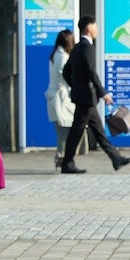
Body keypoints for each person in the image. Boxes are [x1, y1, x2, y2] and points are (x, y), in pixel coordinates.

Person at [60, 15, 130, 174]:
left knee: (97, 131)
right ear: (88, 28)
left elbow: (66, 72)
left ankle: (116, 158)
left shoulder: (78, 47)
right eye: (95, 26)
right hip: (87, 98)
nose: (97, 29)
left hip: (84, 97)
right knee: (77, 130)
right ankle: (67, 163)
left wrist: (76, 86)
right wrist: (104, 93)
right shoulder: (88, 48)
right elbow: (92, 72)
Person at [44, 28, 77, 170]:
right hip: (60, 98)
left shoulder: (55, 55)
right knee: (64, 131)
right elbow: (65, 76)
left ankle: (63, 159)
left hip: (56, 97)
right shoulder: (62, 57)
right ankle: (62, 159)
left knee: (63, 131)